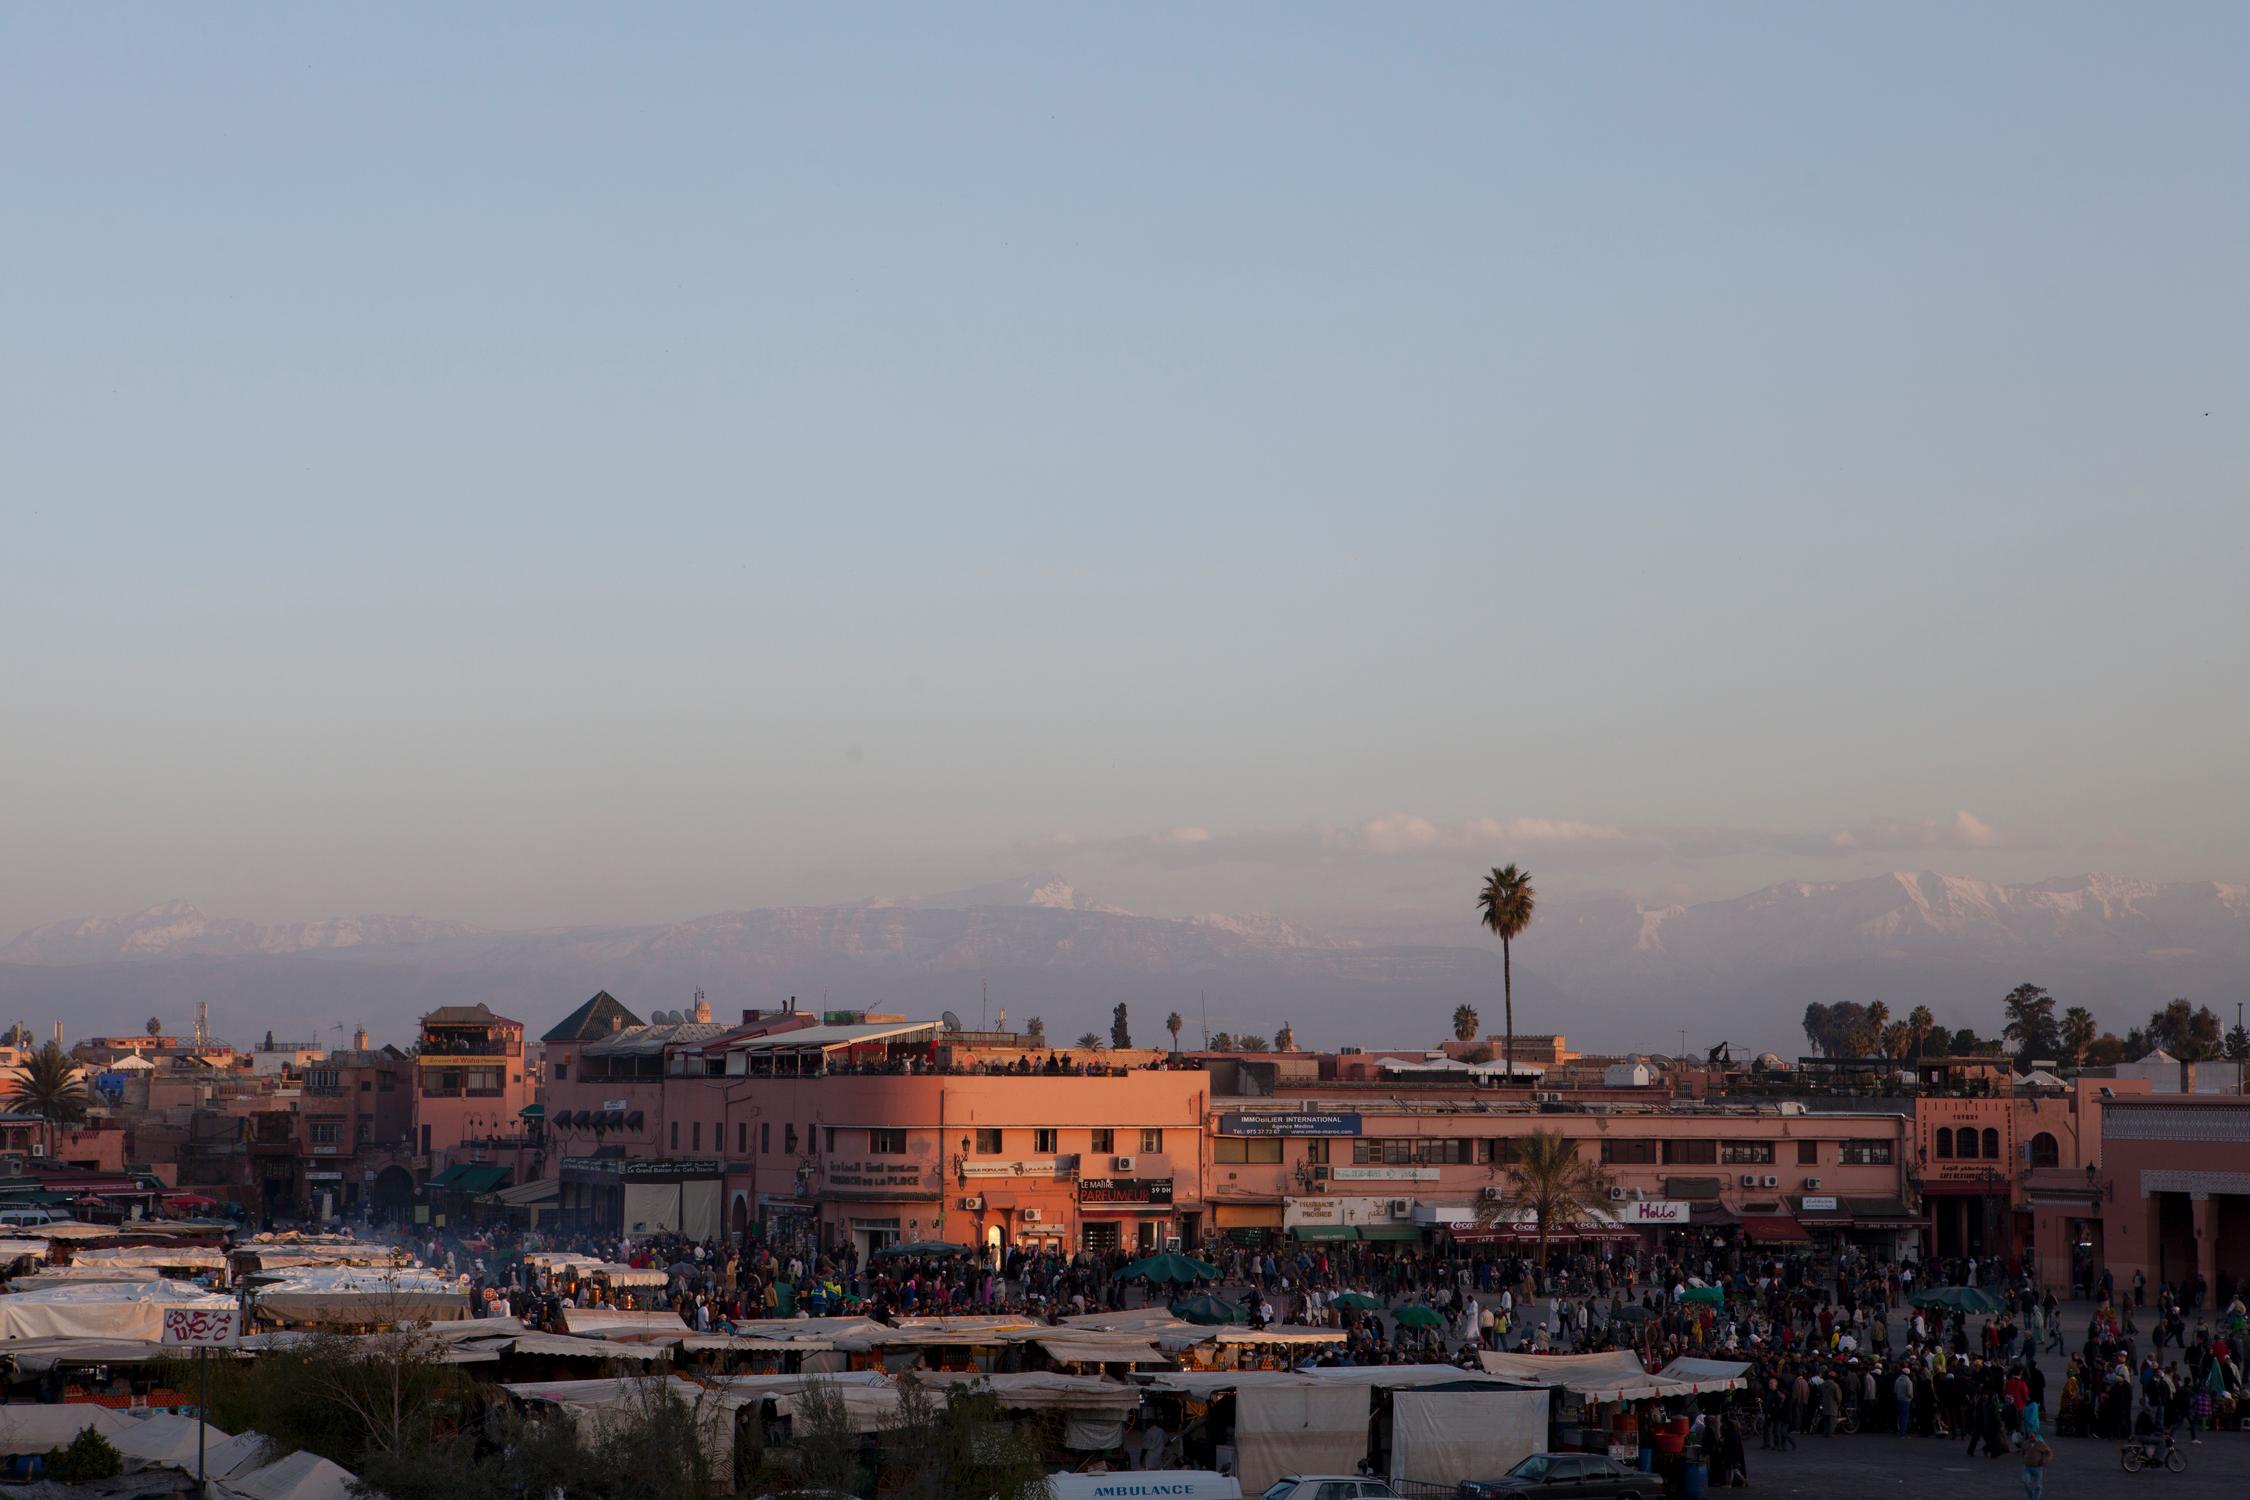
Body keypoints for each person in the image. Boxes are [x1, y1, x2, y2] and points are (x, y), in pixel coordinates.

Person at [2019, 1431, 2051, 1500]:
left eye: (2033, 1436)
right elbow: (2022, 1453)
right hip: (2026, 1467)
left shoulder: (2040, 1444)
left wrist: (2045, 1460)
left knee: (2038, 1486)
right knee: (2025, 1482)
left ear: (2036, 1436)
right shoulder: (2025, 1443)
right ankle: (2031, 1497)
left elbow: (2049, 1453)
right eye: (2030, 1436)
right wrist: (2024, 1460)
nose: (2031, 1437)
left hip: (2037, 1468)